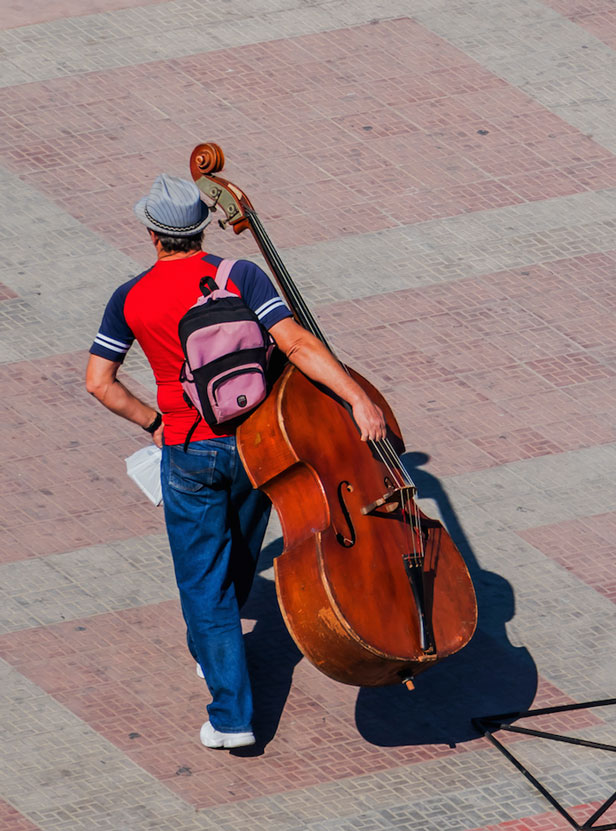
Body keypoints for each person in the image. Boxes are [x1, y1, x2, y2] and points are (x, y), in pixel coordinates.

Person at [85, 173, 386, 749]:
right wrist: (358, 397)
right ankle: (214, 656)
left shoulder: (130, 297)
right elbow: (296, 344)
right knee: (242, 550)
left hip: (187, 447)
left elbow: (100, 383)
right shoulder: (239, 275)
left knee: (204, 583)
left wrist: (154, 422)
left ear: (153, 233)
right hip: (255, 441)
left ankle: (231, 716)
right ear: (200, 227)